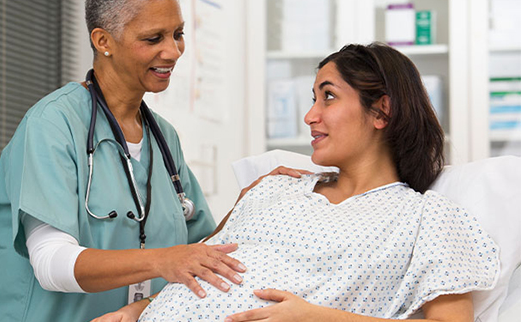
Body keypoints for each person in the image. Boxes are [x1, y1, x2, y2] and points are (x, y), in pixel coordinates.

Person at [99, 43, 500, 321]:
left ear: (382, 111)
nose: (309, 116)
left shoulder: (427, 217)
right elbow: (204, 265)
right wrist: (143, 307)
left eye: (328, 97)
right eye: (312, 98)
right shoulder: (276, 187)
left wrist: (315, 318)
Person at [0, 0, 258, 320]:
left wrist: (258, 196)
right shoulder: (52, 125)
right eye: (153, 39)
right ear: (103, 40)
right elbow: (51, 263)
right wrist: (161, 261)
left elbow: (202, 250)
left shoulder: (163, 138)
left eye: (177, 34)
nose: (173, 51)